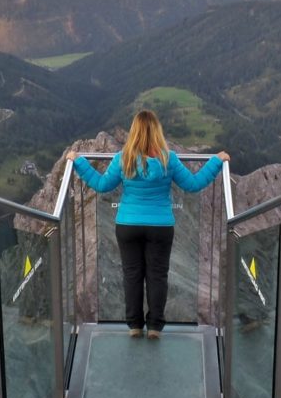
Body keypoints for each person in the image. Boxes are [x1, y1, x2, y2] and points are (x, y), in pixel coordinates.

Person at [66, 110, 229, 340]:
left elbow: (102, 185)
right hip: (160, 226)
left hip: (128, 224)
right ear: (156, 132)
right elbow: (193, 185)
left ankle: (134, 325)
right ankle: (154, 326)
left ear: (134, 132)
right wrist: (216, 161)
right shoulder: (168, 158)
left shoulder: (124, 158)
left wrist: (78, 162)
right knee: (157, 275)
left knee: (132, 275)